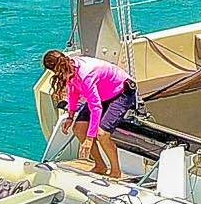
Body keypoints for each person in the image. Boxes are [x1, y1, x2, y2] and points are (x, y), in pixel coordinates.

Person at [44, 49, 135, 177]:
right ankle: (100, 165)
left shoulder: (85, 74)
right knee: (78, 129)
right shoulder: (69, 69)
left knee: (102, 134)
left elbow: (96, 107)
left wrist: (89, 138)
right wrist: (70, 116)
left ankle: (116, 171)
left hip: (121, 92)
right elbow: (73, 92)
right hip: (102, 93)